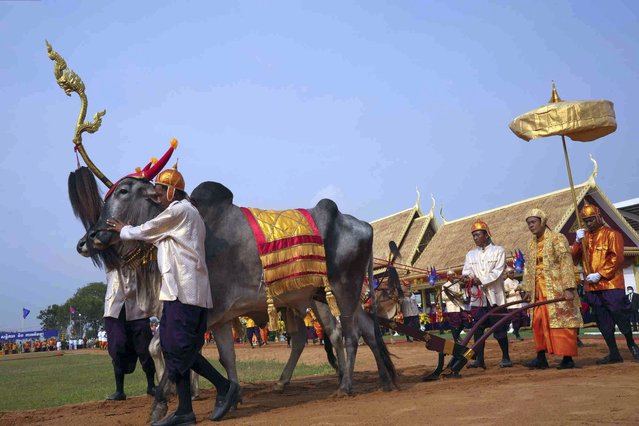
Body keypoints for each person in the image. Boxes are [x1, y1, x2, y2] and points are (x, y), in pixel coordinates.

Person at [108, 160, 239, 425]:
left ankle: (225, 387)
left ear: (171, 191)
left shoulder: (181, 210)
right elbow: (153, 237)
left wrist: (124, 229)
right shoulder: (179, 218)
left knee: (179, 350)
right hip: (176, 293)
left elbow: (147, 230)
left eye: (160, 191)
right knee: (170, 349)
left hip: (186, 293)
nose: (156, 196)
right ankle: (184, 411)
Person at [571, 204, 639, 363]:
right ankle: (614, 353)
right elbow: (574, 259)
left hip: (611, 284)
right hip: (593, 288)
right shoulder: (584, 238)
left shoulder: (612, 234)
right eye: (586, 221)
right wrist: (576, 242)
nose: (589, 223)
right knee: (602, 320)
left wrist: (600, 274)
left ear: (599, 217)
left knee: (620, 315)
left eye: (591, 219)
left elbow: (617, 258)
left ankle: (632, 344)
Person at [523, 209, 583, 369]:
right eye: (528, 223)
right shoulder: (530, 244)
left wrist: (569, 287)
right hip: (538, 291)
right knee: (538, 322)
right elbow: (528, 268)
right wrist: (527, 289)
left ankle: (567, 358)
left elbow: (566, 262)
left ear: (542, 221)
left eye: (533, 222)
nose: (530, 226)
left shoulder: (557, 238)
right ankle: (540, 356)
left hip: (556, 288)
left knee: (562, 322)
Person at [462, 219, 512, 369]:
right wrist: (467, 278)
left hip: (495, 297)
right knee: (477, 330)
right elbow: (466, 271)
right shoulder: (470, 255)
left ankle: (506, 357)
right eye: (474, 236)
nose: (475, 238)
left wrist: (481, 280)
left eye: (478, 234)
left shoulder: (499, 251)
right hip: (478, 300)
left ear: (486, 234)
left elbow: (498, 272)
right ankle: (480, 360)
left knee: (500, 329)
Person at [442, 270, 470, 343]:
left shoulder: (457, 284)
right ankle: (456, 339)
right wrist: (453, 296)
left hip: (460, 305)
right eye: (451, 275)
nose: (453, 276)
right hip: (452, 307)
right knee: (454, 324)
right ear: (448, 276)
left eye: (453, 274)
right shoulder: (445, 286)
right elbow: (443, 297)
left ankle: (457, 335)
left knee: (466, 320)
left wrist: (460, 295)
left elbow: (460, 293)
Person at [503, 267, 526, 341]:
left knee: (524, 317)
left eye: (513, 272)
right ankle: (517, 334)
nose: (512, 274)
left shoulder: (516, 281)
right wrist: (514, 290)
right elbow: (505, 295)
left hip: (519, 302)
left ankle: (515, 331)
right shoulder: (505, 282)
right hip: (512, 304)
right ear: (507, 274)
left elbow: (521, 290)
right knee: (515, 320)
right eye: (510, 273)